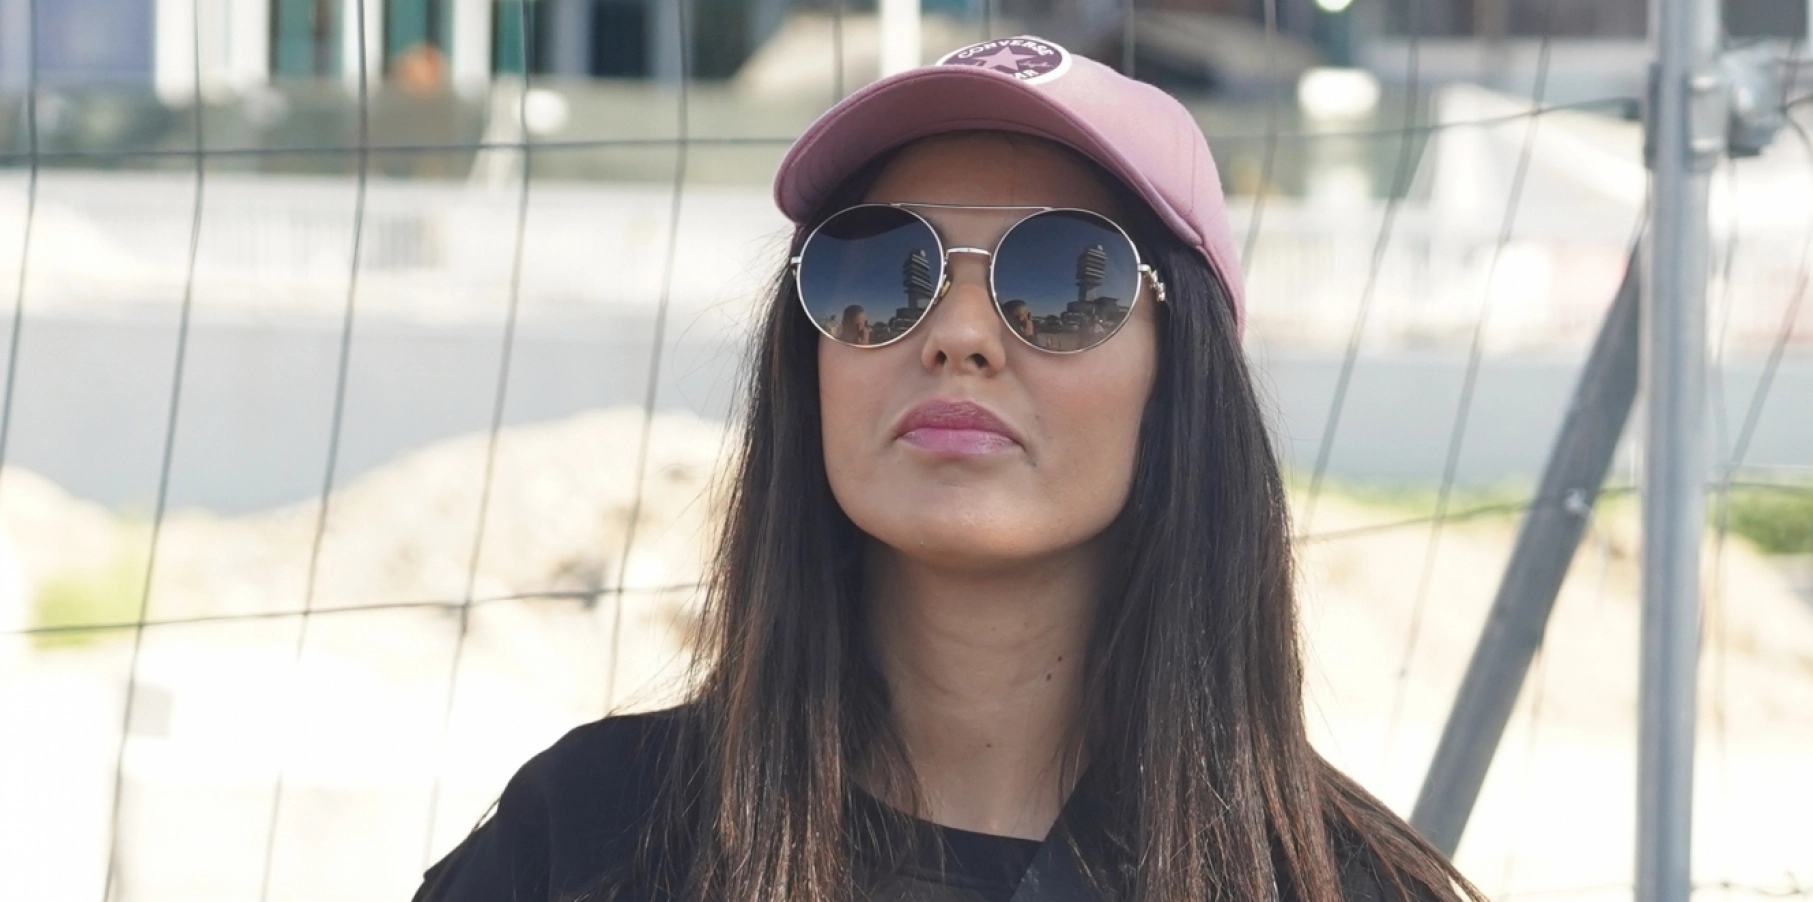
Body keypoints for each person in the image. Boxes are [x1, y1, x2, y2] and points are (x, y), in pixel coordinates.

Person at [414, 35, 1482, 902]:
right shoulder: (588, 840)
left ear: (1180, 375)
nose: (959, 334)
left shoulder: (1340, 885)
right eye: (885, 268)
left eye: (1063, 279)